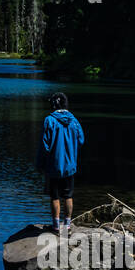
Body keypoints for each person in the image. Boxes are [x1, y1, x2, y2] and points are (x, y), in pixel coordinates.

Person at [38, 92, 84, 234]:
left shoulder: (49, 120)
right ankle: (68, 225)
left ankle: (56, 226)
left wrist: (40, 163)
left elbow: (45, 146)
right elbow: (81, 140)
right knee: (68, 195)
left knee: (55, 196)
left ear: (53, 105)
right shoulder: (74, 121)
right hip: (70, 166)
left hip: (54, 166)